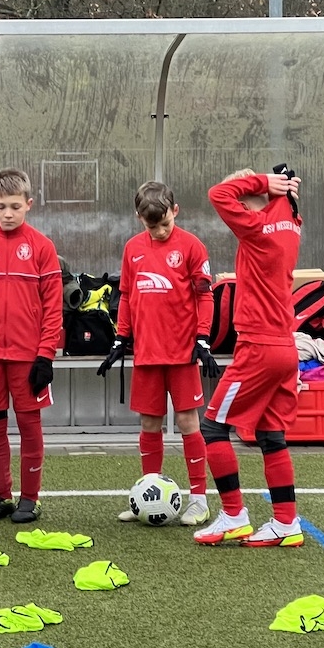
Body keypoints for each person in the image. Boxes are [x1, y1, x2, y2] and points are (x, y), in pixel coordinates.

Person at [194, 167, 305, 548]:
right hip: (284, 346)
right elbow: (280, 206)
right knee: (271, 435)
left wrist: (261, 182)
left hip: (259, 346)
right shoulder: (290, 224)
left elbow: (217, 193)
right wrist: (278, 191)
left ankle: (234, 515)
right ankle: (286, 523)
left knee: (213, 427)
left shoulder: (257, 229)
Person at [97, 181, 216, 526]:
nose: (161, 231)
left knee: (188, 422)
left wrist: (202, 338)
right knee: (149, 423)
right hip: (147, 354)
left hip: (182, 354)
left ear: (175, 211)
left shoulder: (192, 246)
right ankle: (146, 497)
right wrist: (121, 338)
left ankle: (199, 500)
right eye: (153, 226)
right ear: (140, 218)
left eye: (165, 223)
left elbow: (205, 295)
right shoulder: (132, 248)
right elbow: (127, 296)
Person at [0, 168, 63, 524]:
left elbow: (53, 309)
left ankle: (30, 499)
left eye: (15, 206)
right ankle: (2, 496)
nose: (7, 213)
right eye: (1, 206)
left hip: (28, 358)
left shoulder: (43, 247)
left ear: (29, 204)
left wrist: (45, 355)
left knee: (30, 426)